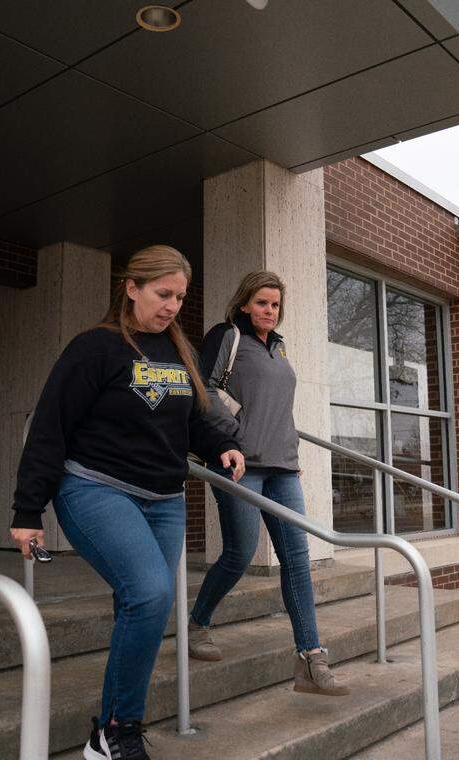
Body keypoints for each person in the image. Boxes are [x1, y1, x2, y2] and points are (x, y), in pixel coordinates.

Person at [10, 245, 245, 760]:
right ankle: (117, 728)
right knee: (150, 593)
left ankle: (113, 730)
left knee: (142, 603)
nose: (172, 306)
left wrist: (222, 445)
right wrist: (28, 510)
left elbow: (194, 418)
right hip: (95, 487)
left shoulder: (178, 352)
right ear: (131, 288)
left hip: (163, 498)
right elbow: (50, 426)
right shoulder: (95, 347)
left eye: (180, 297)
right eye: (163, 294)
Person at [187, 271, 349, 697]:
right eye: (261, 303)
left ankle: (311, 660)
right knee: (239, 554)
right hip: (239, 464)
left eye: (275, 305)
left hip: (281, 466)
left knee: (297, 559)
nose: (269, 311)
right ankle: (198, 623)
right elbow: (203, 390)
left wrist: (290, 453)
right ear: (244, 304)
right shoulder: (227, 336)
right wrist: (227, 438)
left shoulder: (278, 348)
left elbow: (279, 409)